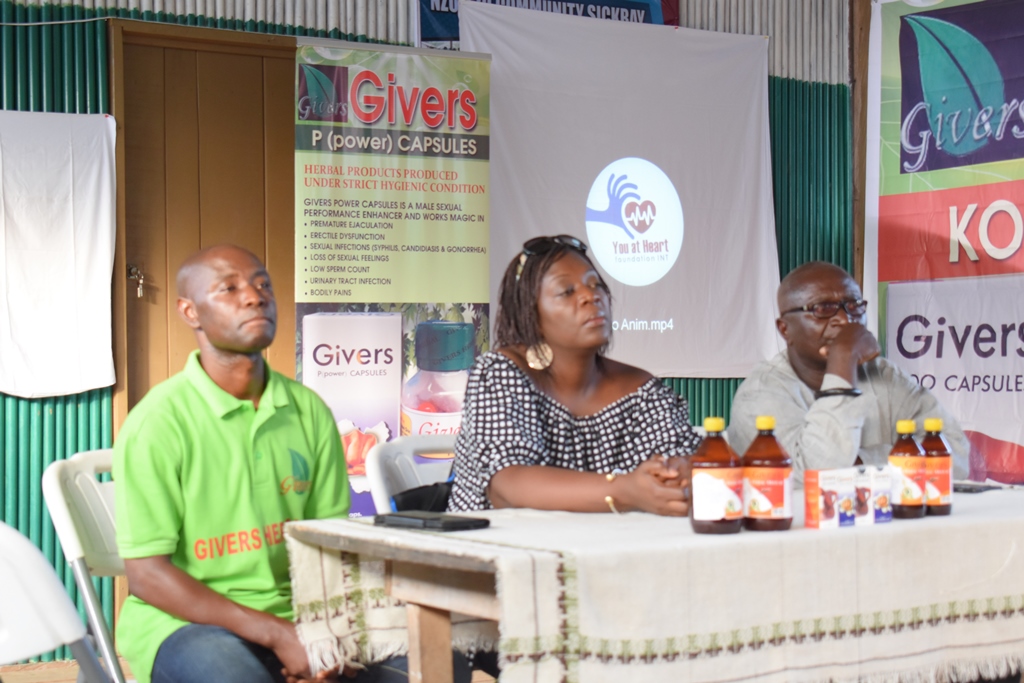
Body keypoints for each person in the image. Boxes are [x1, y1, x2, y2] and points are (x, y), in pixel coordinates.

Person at [113, 245, 469, 683]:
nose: (254, 296)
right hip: (192, 626)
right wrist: (279, 635)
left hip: (304, 614)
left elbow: (330, 546)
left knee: (439, 663)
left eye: (263, 285)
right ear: (190, 311)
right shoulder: (158, 422)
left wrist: (326, 634)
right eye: (229, 288)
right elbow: (148, 576)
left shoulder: (307, 411)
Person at [447, 234, 701, 514]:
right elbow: (507, 487)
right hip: (498, 549)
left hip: (608, 551)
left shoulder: (642, 391)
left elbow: (680, 461)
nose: (590, 296)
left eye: (596, 285)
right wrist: (623, 490)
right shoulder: (500, 373)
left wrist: (680, 471)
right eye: (566, 291)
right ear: (530, 311)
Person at [728, 261, 969, 483]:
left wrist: (861, 462)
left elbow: (955, 459)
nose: (844, 320)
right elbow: (814, 481)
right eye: (822, 309)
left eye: (853, 306)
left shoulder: (884, 376)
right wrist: (843, 362)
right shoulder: (760, 395)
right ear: (785, 329)